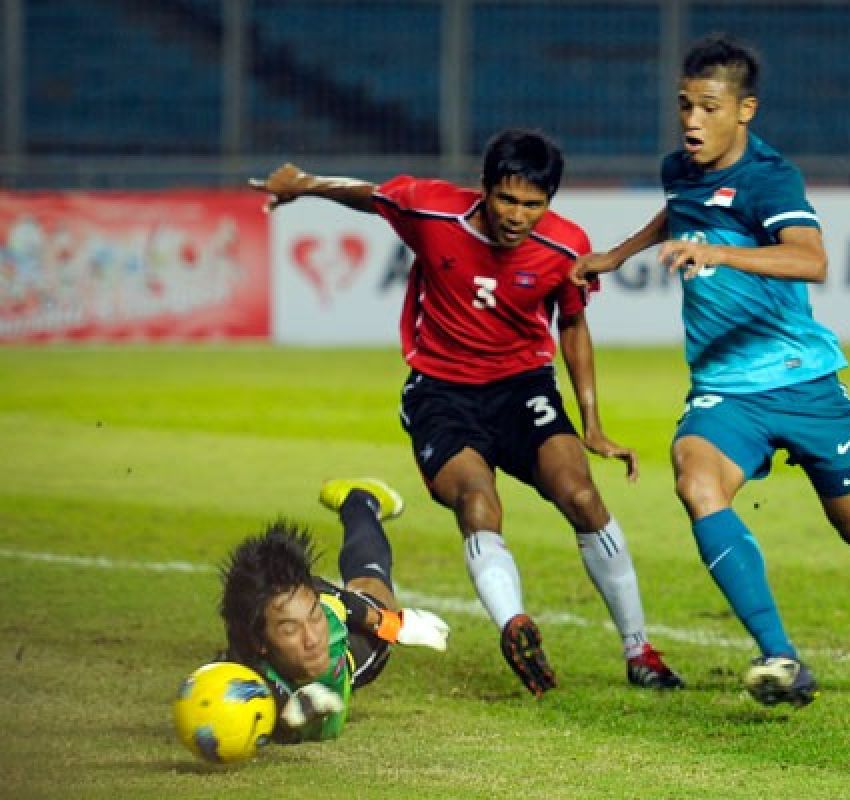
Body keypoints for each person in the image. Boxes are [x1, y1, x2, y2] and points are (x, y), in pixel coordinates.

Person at [572, 35, 850, 708]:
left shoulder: (771, 178)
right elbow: (677, 208)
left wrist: (721, 255)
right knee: (696, 481)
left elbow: (811, 259)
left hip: (802, 380)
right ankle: (781, 657)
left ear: (745, 110)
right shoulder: (679, 167)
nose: (691, 121)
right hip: (726, 388)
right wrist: (616, 256)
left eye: (708, 107)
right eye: (684, 105)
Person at [250, 131, 682, 697]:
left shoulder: (565, 245)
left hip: (522, 385)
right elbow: (369, 194)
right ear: (485, 189)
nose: (518, 216)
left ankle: (639, 650)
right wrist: (302, 185)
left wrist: (592, 422)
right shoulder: (432, 209)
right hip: (441, 392)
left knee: (581, 496)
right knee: (479, 501)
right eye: (508, 199)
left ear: (550, 201)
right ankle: (514, 626)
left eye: (534, 204)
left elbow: (572, 324)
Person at [220, 478, 450, 741]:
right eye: (290, 629)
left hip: (347, 627)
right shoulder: (245, 666)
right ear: (260, 641)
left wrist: (392, 624)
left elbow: (345, 603)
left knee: (371, 587)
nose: (313, 639)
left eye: (313, 619)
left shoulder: (333, 636)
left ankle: (360, 500)